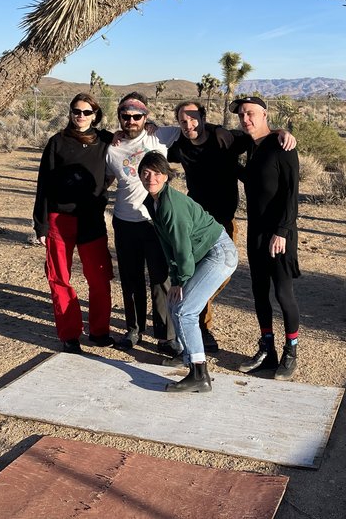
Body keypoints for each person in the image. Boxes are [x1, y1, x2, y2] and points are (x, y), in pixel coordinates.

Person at [168, 101, 297, 352]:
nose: (189, 124)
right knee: (197, 272)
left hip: (225, 220)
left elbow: (259, 134)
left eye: (194, 118)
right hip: (196, 222)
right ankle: (201, 327)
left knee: (220, 275)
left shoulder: (226, 138)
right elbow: (152, 144)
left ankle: (193, 308)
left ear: (204, 118)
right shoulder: (180, 146)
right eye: (183, 120)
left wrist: (282, 131)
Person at [138, 151, 237, 393]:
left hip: (218, 253)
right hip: (203, 253)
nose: (151, 177)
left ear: (166, 176)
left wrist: (180, 280)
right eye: (146, 172)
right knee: (175, 303)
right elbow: (167, 244)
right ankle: (187, 354)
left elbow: (181, 248)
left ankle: (199, 374)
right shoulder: (153, 201)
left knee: (184, 311)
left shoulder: (171, 205)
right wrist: (176, 279)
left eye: (157, 172)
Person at [32, 93, 114, 354]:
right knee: (60, 278)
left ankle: (99, 331)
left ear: (95, 115)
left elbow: (133, 145)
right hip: (60, 219)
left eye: (86, 112)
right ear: (70, 113)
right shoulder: (57, 142)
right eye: (76, 111)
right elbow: (43, 183)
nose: (80, 116)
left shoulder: (107, 140)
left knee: (99, 278)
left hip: (92, 218)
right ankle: (70, 335)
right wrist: (41, 224)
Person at [105, 91, 182, 354]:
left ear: (145, 117)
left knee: (161, 280)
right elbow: (104, 180)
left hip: (155, 222)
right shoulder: (112, 149)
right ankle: (134, 329)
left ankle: (166, 336)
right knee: (131, 278)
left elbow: (194, 128)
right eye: (125, 116)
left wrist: (274, 132)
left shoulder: (158, 136)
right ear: (120, 118)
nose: (131, 121)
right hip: (125, 222)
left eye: (137, 116)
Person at [232, 95, 302, 381]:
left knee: (283, 293)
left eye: (250, 113)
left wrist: (283, 231)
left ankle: (291, 352)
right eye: (241, 115)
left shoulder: (283, 146)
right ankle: (267, 350)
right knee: (259, 292)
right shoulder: (252, 145)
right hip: (256, 232)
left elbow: (291, 192)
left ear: (264, 114)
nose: (245, 119)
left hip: (279, 234)